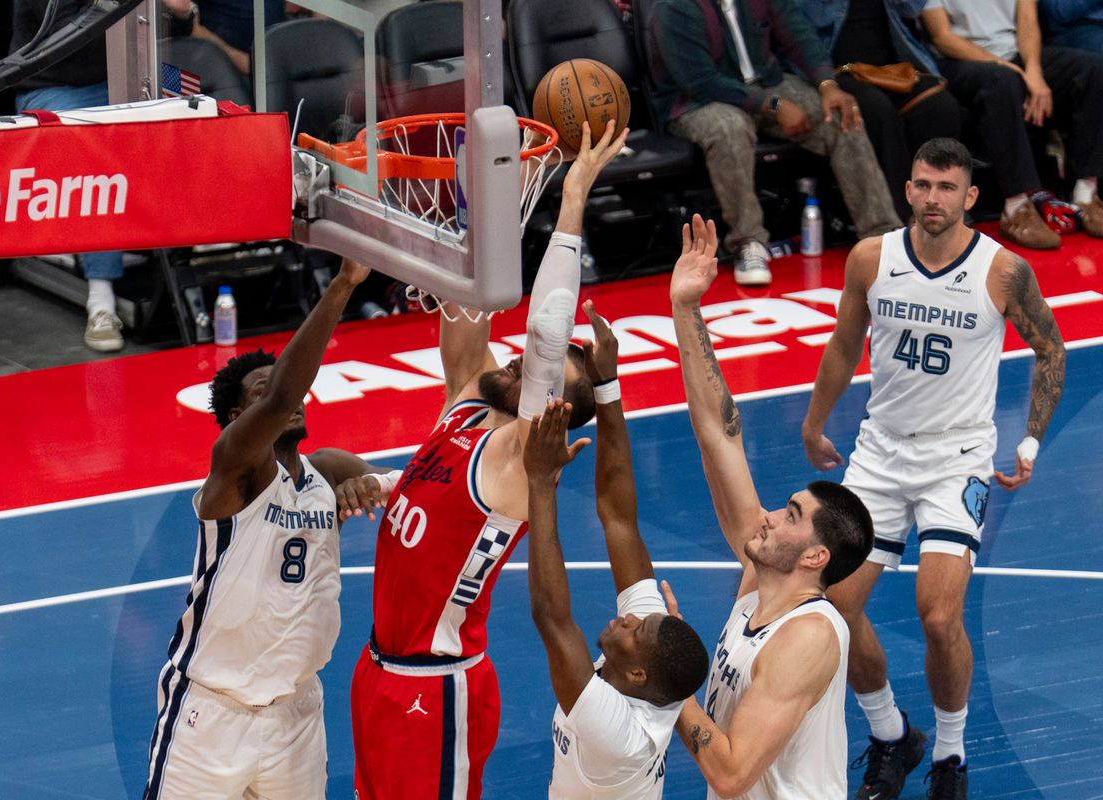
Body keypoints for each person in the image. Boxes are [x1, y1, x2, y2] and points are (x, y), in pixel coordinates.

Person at [333, 121, 628, 800]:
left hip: (435, 690)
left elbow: (549, 334)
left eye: (542, 376)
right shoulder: (468, 403)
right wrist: (480, 199)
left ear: (551, 408)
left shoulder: (516, 463)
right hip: (378, 670)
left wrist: (573, 193)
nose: (522, 362)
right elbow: (470, 307)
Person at [801, 138, 1066, 798]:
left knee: (939, 617)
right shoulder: (872, 258)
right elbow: (841, 345)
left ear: (970, 197)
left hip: (957, 459)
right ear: (908, 189)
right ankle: (892, 735)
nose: (932, 198)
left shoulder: (1002, 271)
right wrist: (813, 421)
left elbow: (1052, 352)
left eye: (947, 188)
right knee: (833, 605)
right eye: (922, 185)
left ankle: (950, 755)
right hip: (880, 454)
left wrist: (1029, 443)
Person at [142, 258, 390, 799]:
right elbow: (282, 397)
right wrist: (345, 284)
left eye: (284, 388)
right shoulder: (234, 469)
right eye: (263, 392)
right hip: (212, 714)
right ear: (237, 417)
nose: (288, 398)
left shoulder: (327, 471)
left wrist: (369, 487)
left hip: (296, 712)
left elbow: (408, 491)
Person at [668, 213, 876, 797]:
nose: (767, 517)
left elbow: (732, 773)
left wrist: (670, 681)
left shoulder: (807, 637)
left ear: (814, 557)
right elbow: (720, 432)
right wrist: (686, 308)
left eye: (789, 515)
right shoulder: (761, 582)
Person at [523, 307, 709, 799]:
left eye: (636, 629)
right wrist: (607, 386)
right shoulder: (644, 666)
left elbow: (551, 617)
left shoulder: (619, 735)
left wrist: (541, 484)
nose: (628, 619)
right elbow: (619, 519)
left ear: (638, 673)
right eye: (640, 620)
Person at [644, 0, 902, 285]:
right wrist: (775, 104)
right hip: (695, 101)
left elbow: (799, 36)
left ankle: (880, 235)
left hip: (765, 84)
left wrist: (826, 85)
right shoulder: (674, 6)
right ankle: (748, 243)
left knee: (840, 114)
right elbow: (700, 81)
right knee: (729, 129)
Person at [11, 0, 194, 351]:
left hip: (131, 78)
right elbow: (76, 34)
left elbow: (173, 34)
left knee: (204, 101)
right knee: (98, 145)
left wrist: (182, 13)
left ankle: (222, 260)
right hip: (55, 85)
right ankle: (101, 298)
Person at [921, 0, 1103, 249]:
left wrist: (1033, 72)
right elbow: (942, 37)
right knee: (1003, 82)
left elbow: (1027, 22)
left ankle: (1086, 194)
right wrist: (1007, 67)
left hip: (1014, 54)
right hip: (957, 60)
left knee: (1093, 70)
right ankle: (1016, 207)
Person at [794, 0, 963, 222]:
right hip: (834, 70)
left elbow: (912, 8)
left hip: (890, 69)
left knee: (940, 106)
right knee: (879, 112)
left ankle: (941, 208)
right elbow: (810, 19)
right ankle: (903, 216)